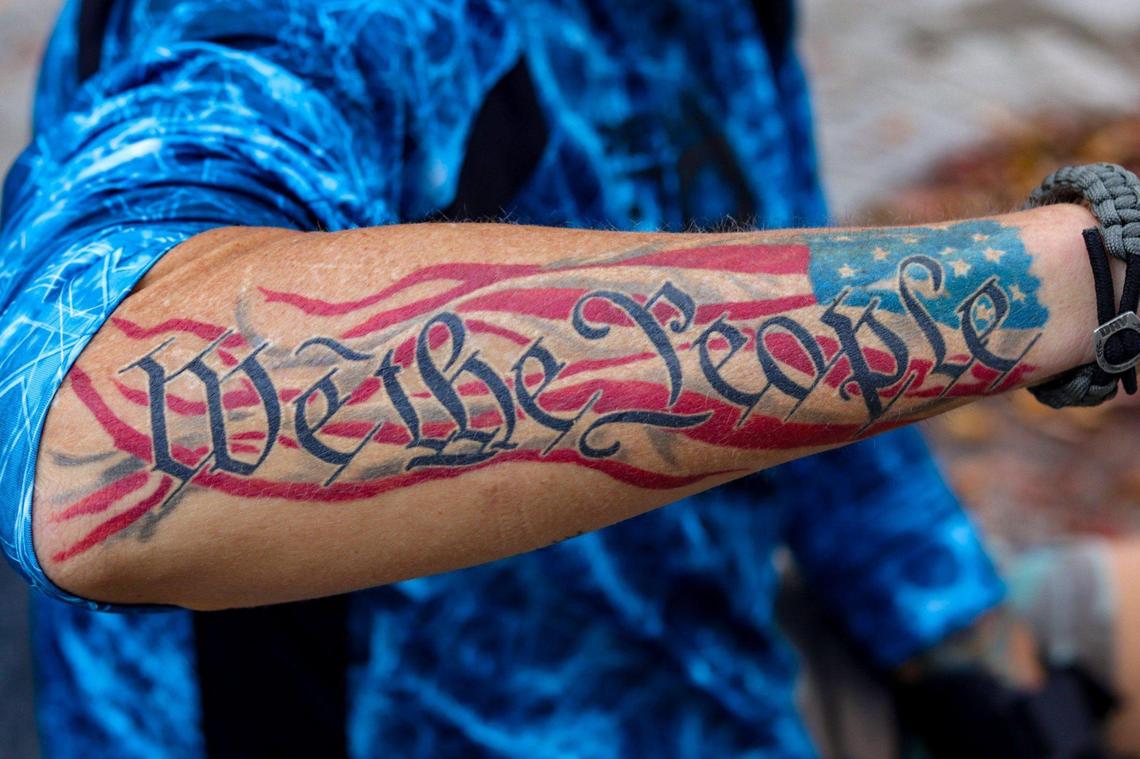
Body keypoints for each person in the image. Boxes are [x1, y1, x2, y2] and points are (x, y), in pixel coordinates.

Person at [0, 0, 1125, 756]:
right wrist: (1087, 279)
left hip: (718, 659)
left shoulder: (710, 18)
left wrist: (957, 640)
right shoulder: (326, 26)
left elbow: (793, 268)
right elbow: (84, 452)